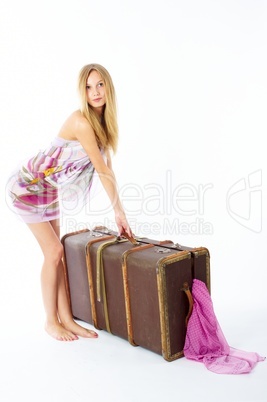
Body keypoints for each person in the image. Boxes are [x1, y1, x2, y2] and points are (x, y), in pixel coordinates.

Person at [6, 63, 132, 341]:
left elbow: (108, 169)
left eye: (100, 85)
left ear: (108, 86)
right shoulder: (81, 122)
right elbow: (101, 170)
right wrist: (118, 213)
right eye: (89, 87)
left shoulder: (104, 126)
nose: (95, 92)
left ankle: (68, 320)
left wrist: (120, 212)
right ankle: (51, 321)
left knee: (57, 253)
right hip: (29, 185)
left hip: (48, 189)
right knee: (52, 251)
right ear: (82, 92)